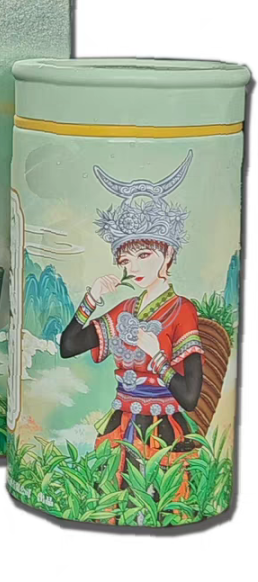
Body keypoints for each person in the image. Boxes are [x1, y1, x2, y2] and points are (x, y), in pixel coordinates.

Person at [59, 152, 203, 492]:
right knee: (113, 496)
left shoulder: (182, 311)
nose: (133, 267)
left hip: (162, 428)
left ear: (168, 255)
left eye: (144, 255)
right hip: (121, 421)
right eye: (125, 260)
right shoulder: (125, 308)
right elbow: (69, 346)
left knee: (155, 499)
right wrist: (93, 297)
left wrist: (158, 357)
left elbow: (190, 397)